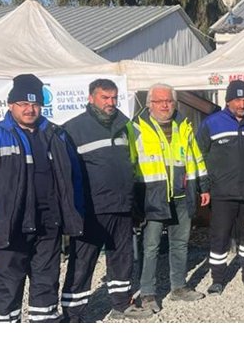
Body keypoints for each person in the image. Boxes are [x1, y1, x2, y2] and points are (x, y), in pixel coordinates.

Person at [0, 74, 83, 323]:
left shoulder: (56, 135)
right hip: (11, 225)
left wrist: (75, 215)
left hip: (48, 224)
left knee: (47, 283)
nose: (29, 109)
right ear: (11, 105)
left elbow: (72, 179)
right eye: (23, 103)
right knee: (9, 286)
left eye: (34, 104)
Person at [60, 79, 150, 321]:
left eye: (113, 98)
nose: (110, 103)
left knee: (121, 258)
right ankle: (73, 313)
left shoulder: (124, 125)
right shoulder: (73, 129)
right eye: (105, 98)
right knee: (82, 263)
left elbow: (132, 163)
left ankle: (122, 303)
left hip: (122, 206)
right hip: (91, 210)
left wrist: (135, 203)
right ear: (91, 98)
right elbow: (66, 173)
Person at [132, 83, 210, 312]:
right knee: (151, 246)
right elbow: (130, 163)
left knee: (180, 244)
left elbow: (196, 157)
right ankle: (147, 293)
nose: (165, 105)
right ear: (150, 104)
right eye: (159, 101)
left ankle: (178, 287)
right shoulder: (136, 127)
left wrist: (203, 186)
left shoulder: (183, 125)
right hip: (152, 195)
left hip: (181, 194)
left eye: (169, 101)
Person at [197, 80, 244, 295]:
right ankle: (218, 278)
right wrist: (205, 186)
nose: (242, 104)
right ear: (228, 101)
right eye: (238, 100)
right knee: (219, 237)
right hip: (222, 193)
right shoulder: (212, 123)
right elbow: (198, 155)